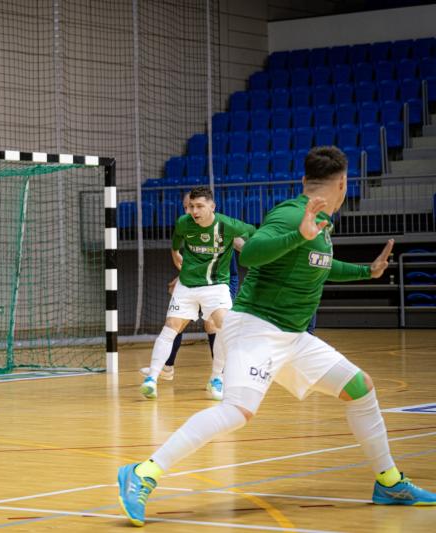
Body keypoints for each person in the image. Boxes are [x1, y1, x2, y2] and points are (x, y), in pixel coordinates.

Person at [118, 146, 436, 527]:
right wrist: (298, 234)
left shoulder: (317, 223)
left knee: (360, 388)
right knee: (236, 411)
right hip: (256, 327)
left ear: (307, 181)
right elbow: (250, 252)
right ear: (343, 184)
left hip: (292, 336)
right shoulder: (290, 215)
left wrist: (365, 271)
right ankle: (143, 472)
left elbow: (319, 265)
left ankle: (389, 483)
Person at [140, 186, 255, 401]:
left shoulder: (228, 225)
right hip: (187, 286)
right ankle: (152, 380)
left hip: (216, 286)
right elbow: (176, 244)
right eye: (191, 206)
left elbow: (252, 232)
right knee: (171, 327)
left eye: (199, 206)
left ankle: (216, 378)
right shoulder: (184, 223)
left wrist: (258, 250)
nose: (194, 211)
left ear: (212, 207)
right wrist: (176, 255)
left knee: (223, 325)